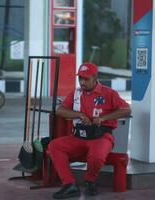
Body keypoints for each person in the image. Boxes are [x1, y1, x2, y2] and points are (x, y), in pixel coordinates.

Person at [48, 62, 131, 199]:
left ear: (94, 78)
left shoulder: (109, 93)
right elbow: (60, 110)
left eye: (86, 79)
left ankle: (90, 180)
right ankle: (69, 185)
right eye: (80, 78)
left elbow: (126, 110)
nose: (82, 82)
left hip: (101, 136)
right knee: (54, 146)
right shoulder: (76, 94)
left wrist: (103, 118)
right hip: (79, 137)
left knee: (97, 156)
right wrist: (79, 115)